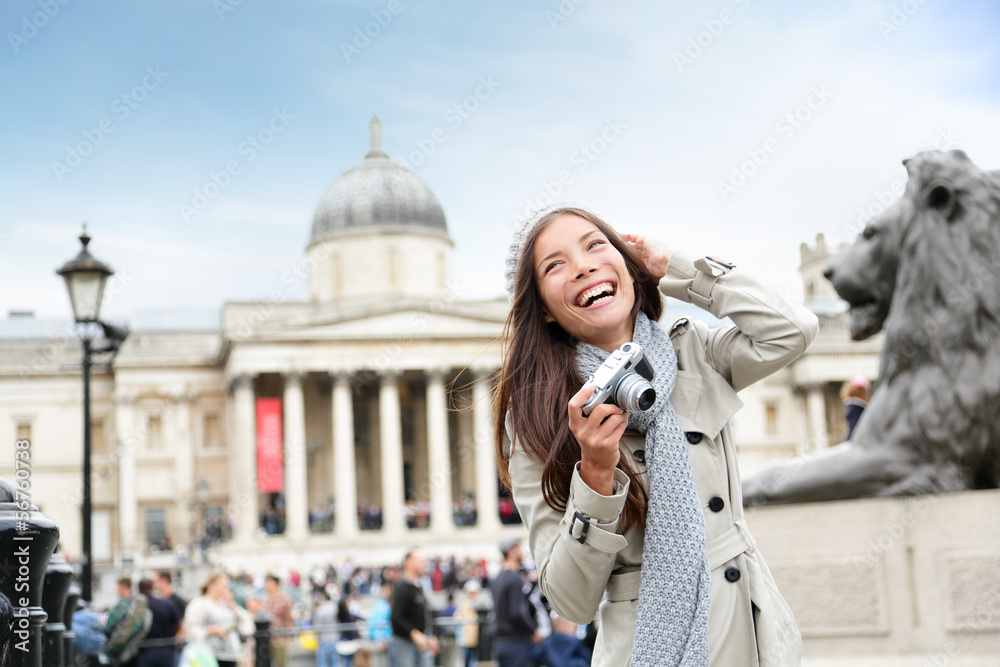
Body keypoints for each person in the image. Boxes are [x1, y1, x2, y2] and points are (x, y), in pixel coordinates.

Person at [494, 206, 815, 665]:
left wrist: (678, 268)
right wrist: (596, 475)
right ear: (543, 310)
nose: (583, 266)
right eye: (555, 264)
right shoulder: (535, 417)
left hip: (747, 633)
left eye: (595, 245)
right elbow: (573, 602)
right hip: (642, 644)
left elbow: (793, 331)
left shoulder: (695, 351)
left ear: (627, 265)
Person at [182, 571, 255, 667]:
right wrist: (212, 630)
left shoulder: (228, 605)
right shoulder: (199, 603)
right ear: (211, 586)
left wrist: (233, 606)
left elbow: (248, 626)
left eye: (226, 586)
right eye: (222, 585)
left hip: (230, 656)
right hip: (207, 656)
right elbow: (189, 630)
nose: (225, 589)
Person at [490, 537, 540, 667]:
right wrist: (533, 631)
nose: (521, 551)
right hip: (516, 643)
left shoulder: (497, 579)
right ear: (511, 551)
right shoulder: (515, 578)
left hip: (501, 643)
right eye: (518, 548)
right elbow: (517, 611)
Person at [390, 547, 439, 667]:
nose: (424, 563)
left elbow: (427, 613)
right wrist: (414, 634)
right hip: (405, 643)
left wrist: (432, 635)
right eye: (420, 560)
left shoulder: (419, 586)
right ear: (408, 562)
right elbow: (396, 617)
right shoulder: (402, 587)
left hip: (421, 643)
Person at [137, 577, 182, 667]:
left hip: (145, 651)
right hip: (167, 650)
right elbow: (178, 625)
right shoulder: (167, 603)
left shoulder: (137, 608)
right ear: (153, 587)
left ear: (139, 589)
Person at [261, 573, 295, 667]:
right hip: (266, 638)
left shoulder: (284, 599)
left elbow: (289, 618)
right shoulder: (264, 599)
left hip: (280, 638)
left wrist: (287, 635)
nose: (266, 586)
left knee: (281, 663)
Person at [153, 570, 186, 666]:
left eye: (156, 581)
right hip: (161, 649)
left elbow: (183, 622)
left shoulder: (177, 601)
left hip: (173, 649)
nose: (154, 584)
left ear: (164, 581)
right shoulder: (158, 601)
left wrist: (178, 638)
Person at [366, 582, 394, 667]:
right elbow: (376, 623)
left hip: (386, 640)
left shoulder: (384, 605)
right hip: (382, 641)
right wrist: (380, 639)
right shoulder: (382, 606)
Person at [455, 580, 482, 667]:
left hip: (476, 638)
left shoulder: (479, 604)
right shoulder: (464, 604)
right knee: (466, 659)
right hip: (466, 638)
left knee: (474, 659)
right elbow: (457, 616)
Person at [313, 592, 339, 667]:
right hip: (334, 638)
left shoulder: (319, 609)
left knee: (323, 663)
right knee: (335, 662)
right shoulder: (335, 608)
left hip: (323, 639)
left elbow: (316, 627)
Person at [841, 375, 871, 440]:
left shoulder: (853, 407)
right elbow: (855, 429)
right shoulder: (857, 409)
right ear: (859, 393)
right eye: (866, 392)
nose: (868, 395)